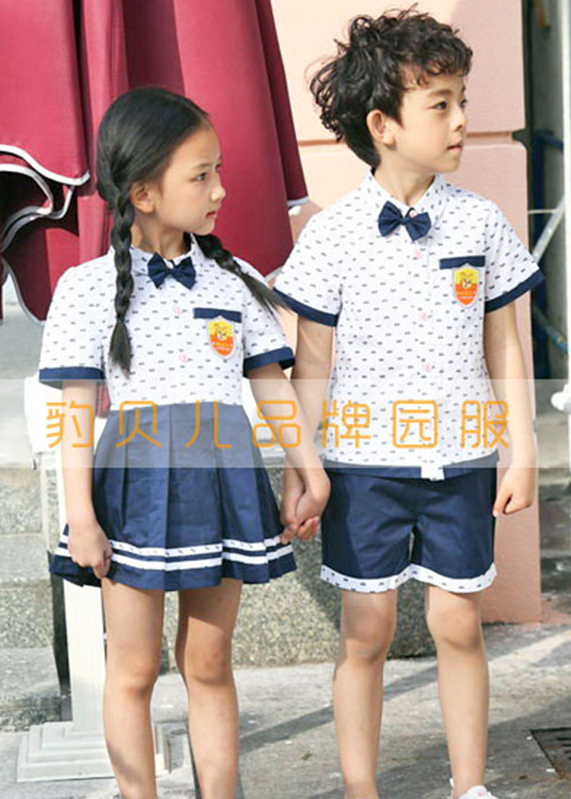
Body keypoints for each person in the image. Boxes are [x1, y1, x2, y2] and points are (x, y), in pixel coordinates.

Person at [276, 8, 545, 799]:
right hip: (364, 466)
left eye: (464, 100)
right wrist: (303, 465)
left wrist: (522, 449)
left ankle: (470, 786)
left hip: (461, 458)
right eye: (441, 104)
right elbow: (311, 363)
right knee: (368, 631)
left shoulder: (482, 222)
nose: (461, 120)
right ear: (383, 125)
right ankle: (361, 787)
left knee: (459, 624)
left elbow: (505, 345)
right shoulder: (332, 235)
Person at [38, 86, 329, 799]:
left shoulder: (237, 281)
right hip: (131, 493)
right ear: (142, 192)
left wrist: (309, 468)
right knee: (134, 668)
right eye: (201, 175)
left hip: (222, 484)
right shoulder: (86, 289)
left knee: (208, 661)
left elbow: (271, 387)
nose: (220, 189)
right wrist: (81, 515)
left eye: (217, 170)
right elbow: (74, 416)